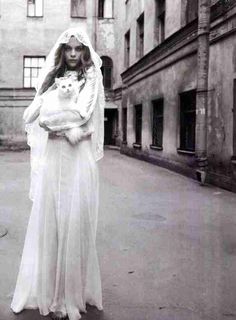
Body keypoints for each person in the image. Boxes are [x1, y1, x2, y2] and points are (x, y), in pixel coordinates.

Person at [11, 28, 104, 320]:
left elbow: (82, 115)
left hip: (77, 160)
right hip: (54, 160)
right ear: (62, 51)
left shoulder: (92, 78)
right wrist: (47, 105)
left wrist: (51, 121)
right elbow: (30, 116)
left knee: (73, 222)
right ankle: (49, 292)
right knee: (51, 221)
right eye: (69, 49)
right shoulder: (52, 82)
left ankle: (69, 296)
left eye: (78, 49)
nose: (74, 54)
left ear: (85, 51)